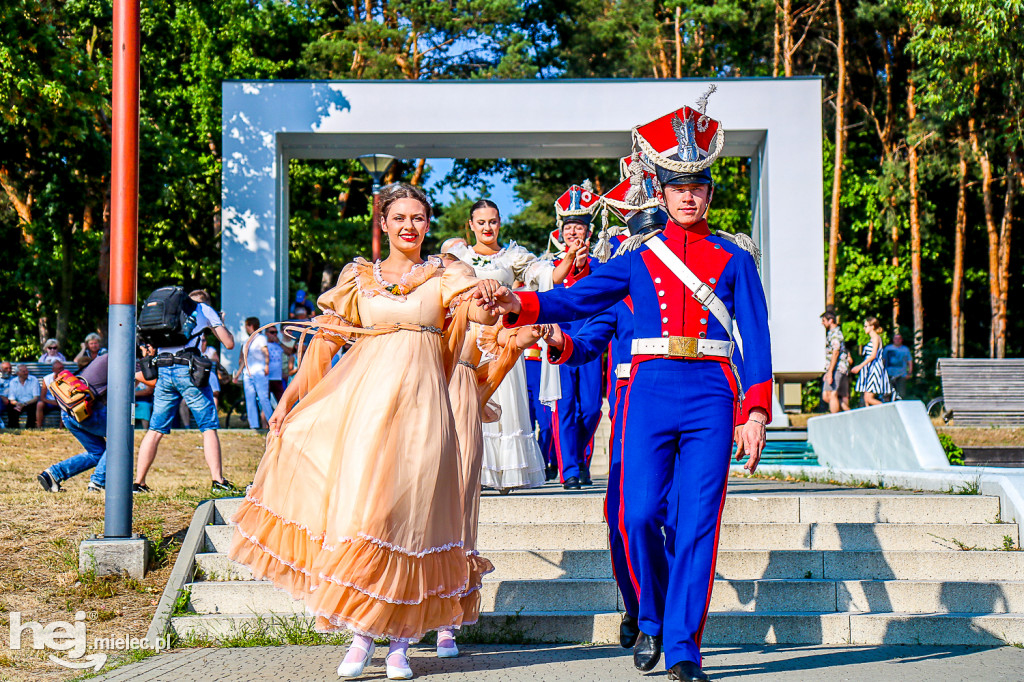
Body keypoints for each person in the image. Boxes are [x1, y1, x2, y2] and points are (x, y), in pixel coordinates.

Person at [482, 96, 771, 681]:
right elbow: (577, 299)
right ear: (661, 194)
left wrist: (756, 410)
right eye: (678, 186)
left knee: (698, 522)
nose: (688, 196)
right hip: (647, 392)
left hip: (713, 392)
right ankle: (654, 616)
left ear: (709, 194)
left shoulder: (735, 259)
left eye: (699, 186)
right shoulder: (639, 260)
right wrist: (520, 303)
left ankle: (685, 647)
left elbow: (758, 336)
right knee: (637, 515)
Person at [226, 183, 503, 680]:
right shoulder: (359, 276)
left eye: (418, 218)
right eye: (399, 218)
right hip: (364, 409)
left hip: (424, 411)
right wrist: (290, 401)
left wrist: (491, 294)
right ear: (382, 223)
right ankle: (360, 635)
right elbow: (324, 342)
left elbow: (479, 313)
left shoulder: (447, 273)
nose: (409, 227)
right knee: (363, 514)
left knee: (412, 519)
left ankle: (399, 643)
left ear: (428, 222)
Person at [442, 199, 568, 493]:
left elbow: (548, 277)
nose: (488, 227)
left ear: (500, 223)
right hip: (466, 341)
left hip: (504, 338)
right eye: (481, 222)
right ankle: (469, 470)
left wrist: (571, 256)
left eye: (493, 221)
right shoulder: (458, 255)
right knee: (466, 401)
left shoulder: (514, 257)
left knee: (506, 402)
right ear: (470, 225)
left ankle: (504, 475)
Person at [133, 289, 237, 494]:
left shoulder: (171, 311)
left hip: (163, 370)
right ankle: (218, 480)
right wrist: (219, 322)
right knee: (208, 427)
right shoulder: (204, 309)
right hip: (189, 370)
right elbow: (229, 343)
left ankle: (139, 482)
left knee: (155, 429)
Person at [544, 182, 605, 490]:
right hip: (559, 345)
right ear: (561, 232)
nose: (573, 233)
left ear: (588, 233)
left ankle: (579, 456)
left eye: (579, 227)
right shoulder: (550, 268)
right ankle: (569, 468)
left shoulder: (600, 267)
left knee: (592, 408)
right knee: (564, 406)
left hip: (591, 347)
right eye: (568, 227)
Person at [234, 317, 272, 430]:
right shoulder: (246, 341)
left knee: (263, 397)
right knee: (249, 398)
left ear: (251, 326)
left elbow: (266, 352)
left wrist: (266, 365)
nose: (246, 328)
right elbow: (244, 360)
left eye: (246, 326)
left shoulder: (261, 339)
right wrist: (238, 374)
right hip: (248, 372)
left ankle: (272, 422)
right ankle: (253, 425)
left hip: (259, 371)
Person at [850, 316, 891, 406]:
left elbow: (873, 355)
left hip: (875, 369)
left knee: (869, 398)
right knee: (866, 398)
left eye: (866, 326)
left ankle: (888, 411)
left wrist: (859, 366)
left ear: (872, 327)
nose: (864, 328)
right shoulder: (872, 339)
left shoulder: (876, 338)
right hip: (870, 369)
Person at [821, 311, 851, 413]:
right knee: (826, 395)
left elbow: (836, 352)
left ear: (831, 320)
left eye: (824, 320)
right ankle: (848, 412)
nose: (822, 323)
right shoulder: (831, 333)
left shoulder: (835, 334)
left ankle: (835, 419)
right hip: (833, 367)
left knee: (832, 393)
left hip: (837, 367)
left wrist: (830, 372)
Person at [5, 364, 41, 428]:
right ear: (18, 373)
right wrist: (17, 404)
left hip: (30, 402)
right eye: (24, 371)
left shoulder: (34, 380)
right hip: (18, 403)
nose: (26, 373)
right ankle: (14, 428)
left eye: (27, 371)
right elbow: (11, 399)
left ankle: (30, 428)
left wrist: (24, 404)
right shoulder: (13, 382)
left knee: (33, 407)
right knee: (11, 407)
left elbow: (36, 398)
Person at [35, 359, 66, 428]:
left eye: (62, 368)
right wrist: (52, 402)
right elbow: (42, 397)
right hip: (49, 401)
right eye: (59, 369)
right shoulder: (47, 379)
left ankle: (61, 427)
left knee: (66, 405)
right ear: (53, 370)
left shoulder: (67, 378)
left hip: (62, 401)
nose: (61, 371)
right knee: (39, 404)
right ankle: (39, 427)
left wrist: (60, 402)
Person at [882, 332, 913, 399]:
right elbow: (883, 360)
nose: (897, 340)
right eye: (896, 338)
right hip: (889, 374)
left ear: (902, 340)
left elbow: (910, 361)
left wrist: (910, 373)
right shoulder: (887, 348)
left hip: (901, 375)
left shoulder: (905, 349)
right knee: (887, 394)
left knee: (901, 394)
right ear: (893, 339)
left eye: (899, 338)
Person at [265, 325, 285, 403]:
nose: (274, 335)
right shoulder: (264, 345)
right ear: (266, 333)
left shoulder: (279, 345)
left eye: (276, 332)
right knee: (266, 402)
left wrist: (279, 342)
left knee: (281, 401)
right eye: (272, 332)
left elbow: (289, 352)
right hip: (267, 377)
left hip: (278, 378)